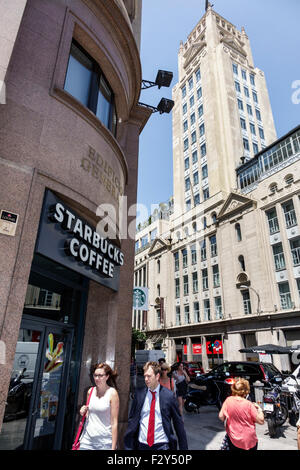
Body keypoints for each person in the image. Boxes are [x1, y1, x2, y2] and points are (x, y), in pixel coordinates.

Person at [124, 361, 188, 450]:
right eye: (145, 376)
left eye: (149, 376)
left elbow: (178, 424)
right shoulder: (139, 394)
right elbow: (132, 420)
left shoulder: (168, 396)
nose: (146, 379)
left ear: (157, 376)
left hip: (162, 445)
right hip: (142, 444)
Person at [78, 362, 119, 450]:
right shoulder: (90, 391)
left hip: (104, 443)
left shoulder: (112, 393)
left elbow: (114, 423)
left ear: (107, 377)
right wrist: (83, 410)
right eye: (95, 375)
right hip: (87, 441)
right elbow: (89, 414)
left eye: (100, 375)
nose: (97, 378)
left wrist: (113, 447)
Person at [218, 377, 264, 451]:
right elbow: (261, 421)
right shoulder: (249, 404)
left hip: (233, 439)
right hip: (249, 441)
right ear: (246, 391)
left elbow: (221, 417)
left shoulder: (228, 400)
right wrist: (260, 410)